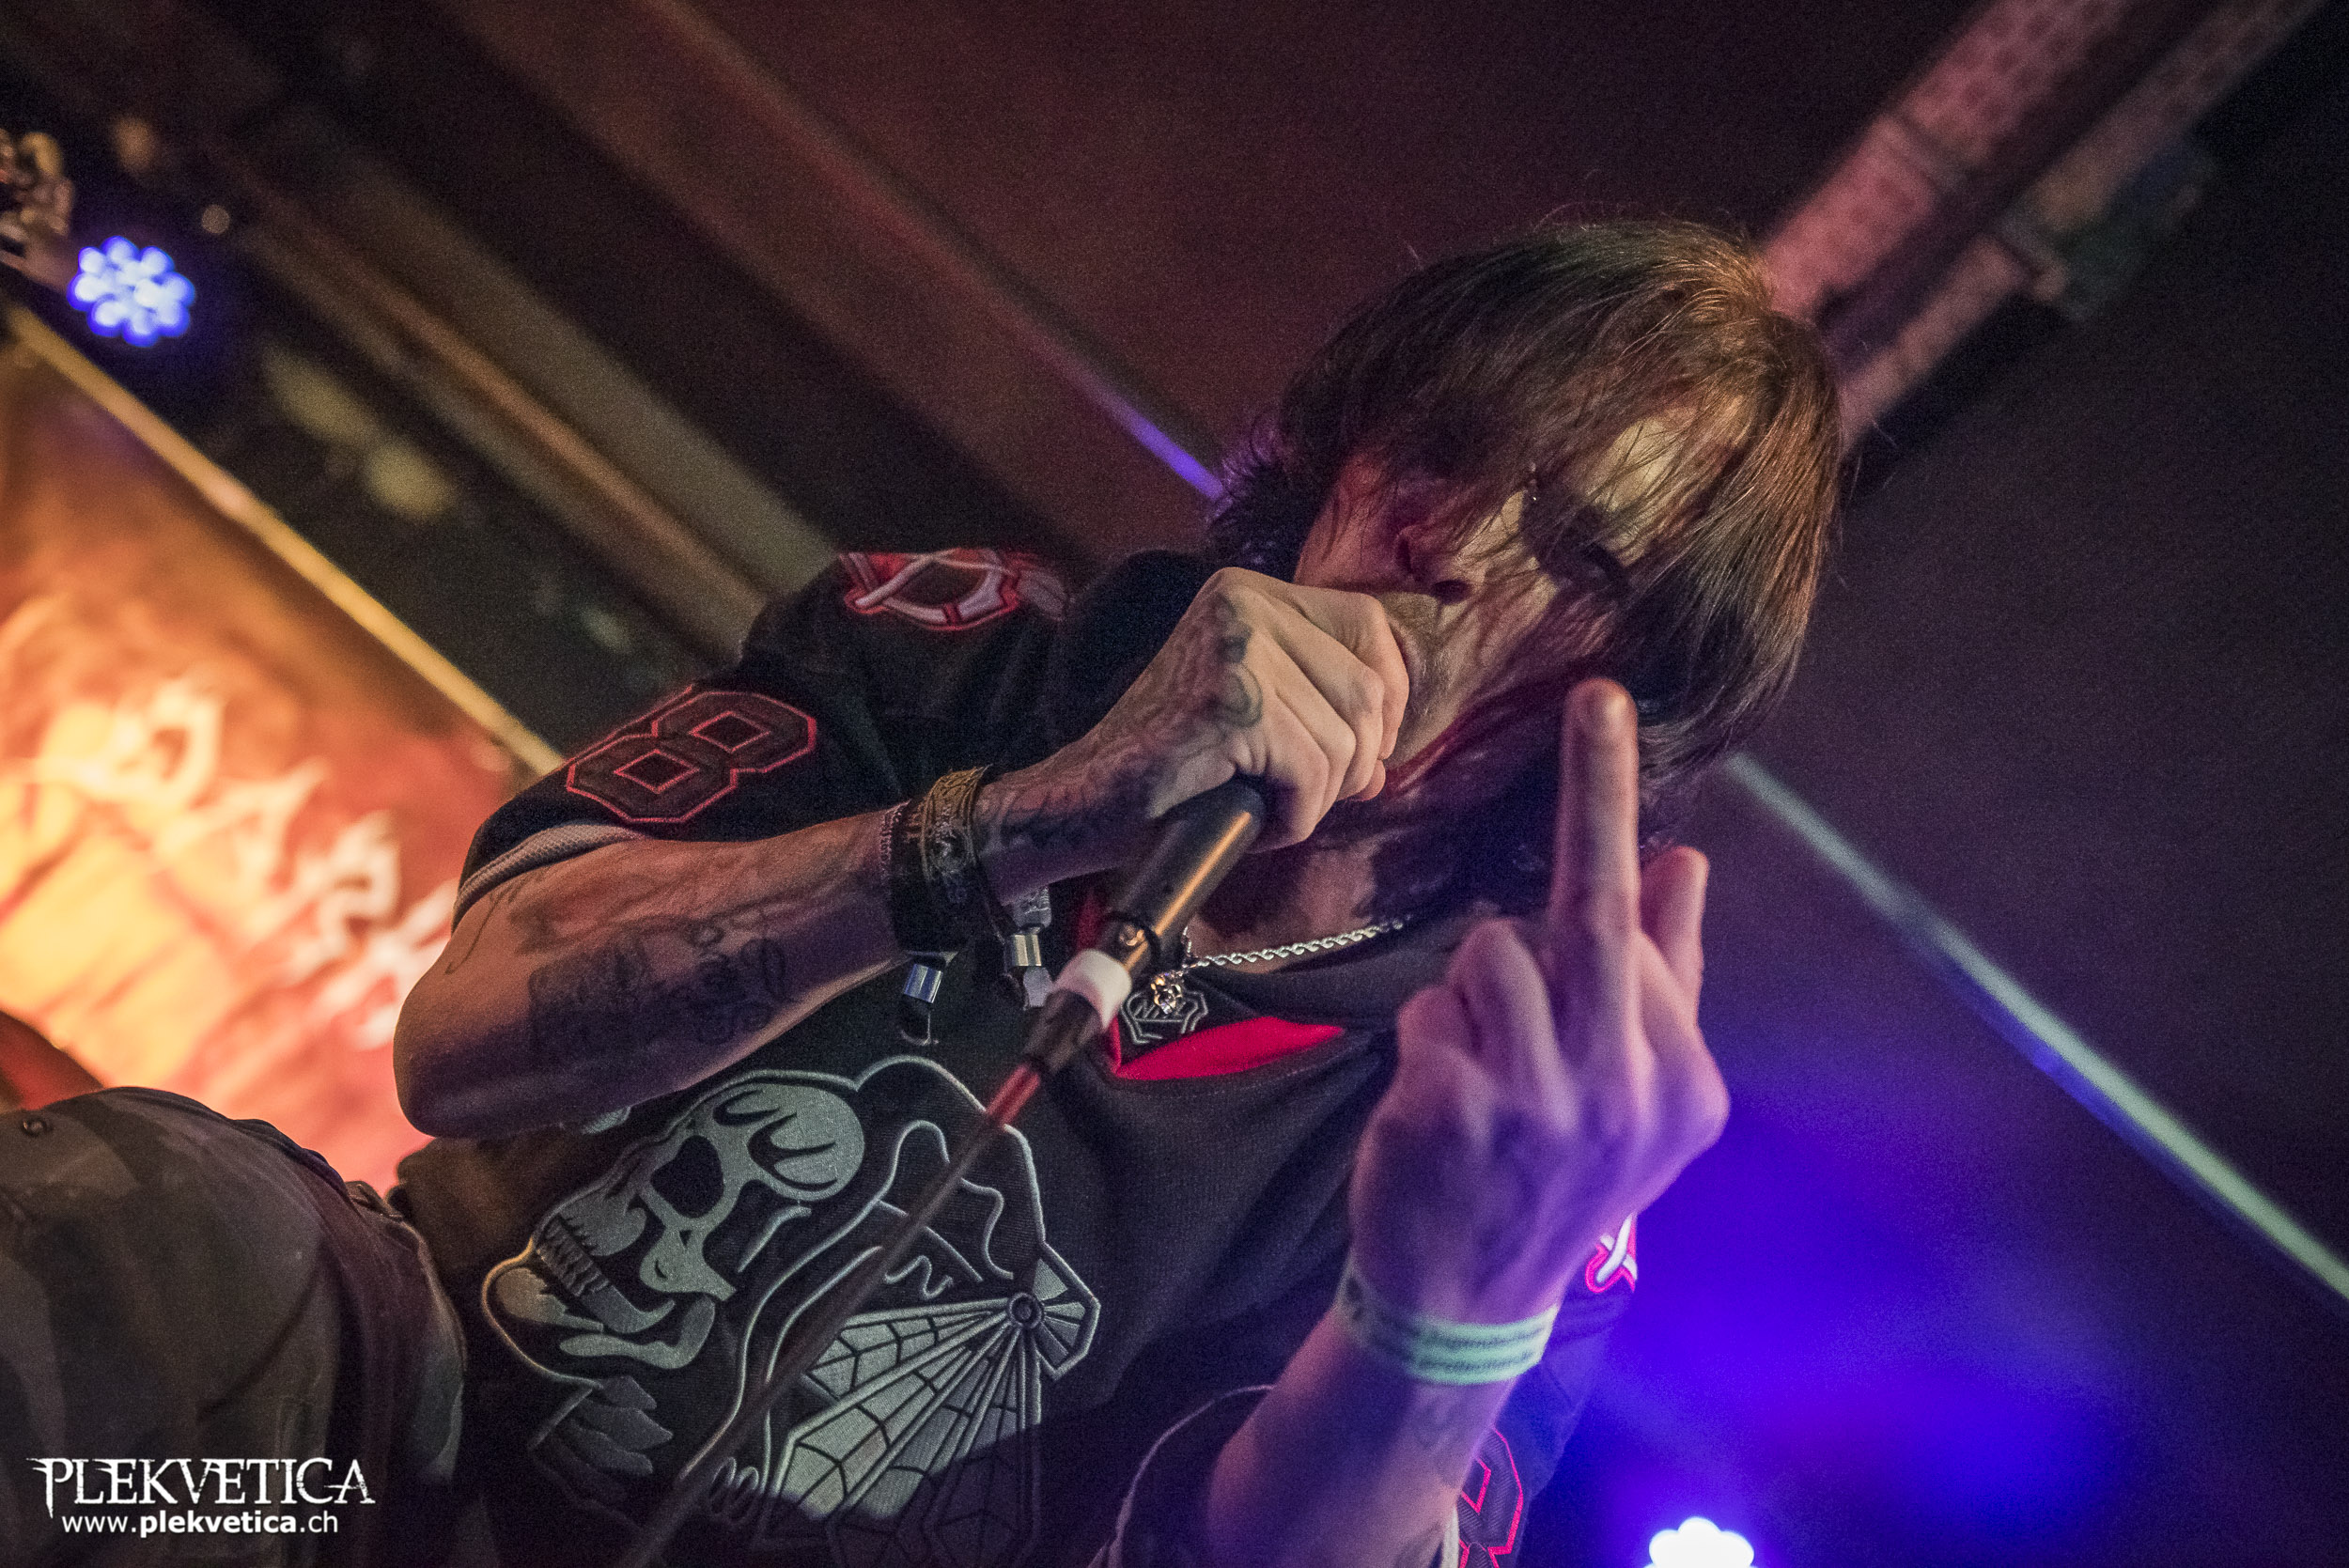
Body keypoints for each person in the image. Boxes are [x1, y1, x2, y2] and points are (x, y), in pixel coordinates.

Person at [387, 217, 1840, 1568]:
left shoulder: (1497, 1085)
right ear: (1343, 452)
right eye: (1444, 452)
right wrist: (1032, 814)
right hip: (382, 1431)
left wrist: (1453, 1305)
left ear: (1640, 688)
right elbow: (460, 1039)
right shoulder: (973, 655)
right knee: (237, 1255)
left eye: (1578, 552)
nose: (1451, 542)